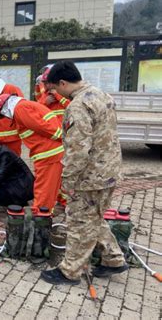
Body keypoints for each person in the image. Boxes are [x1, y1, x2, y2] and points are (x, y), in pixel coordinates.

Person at [41, 60, 127, 285]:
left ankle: (70, 271)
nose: (55, 93)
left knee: (79, 222)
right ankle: (113, 259)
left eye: (54, 88)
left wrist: (67, 180)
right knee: (94, 218)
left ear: (62, 82)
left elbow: (78, 149)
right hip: (109, 170)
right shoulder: (101, 95)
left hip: (89, 177)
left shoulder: (78, 105)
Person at [0, 93, 64, 211]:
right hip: (50, 152)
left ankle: (40, 218)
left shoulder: (20, 109)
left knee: (43, 188)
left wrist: (60, 136)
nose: (6, 117)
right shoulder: (25, 106)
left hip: (47, 153)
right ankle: (45, 214)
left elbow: (41, 126)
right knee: (50, 188)